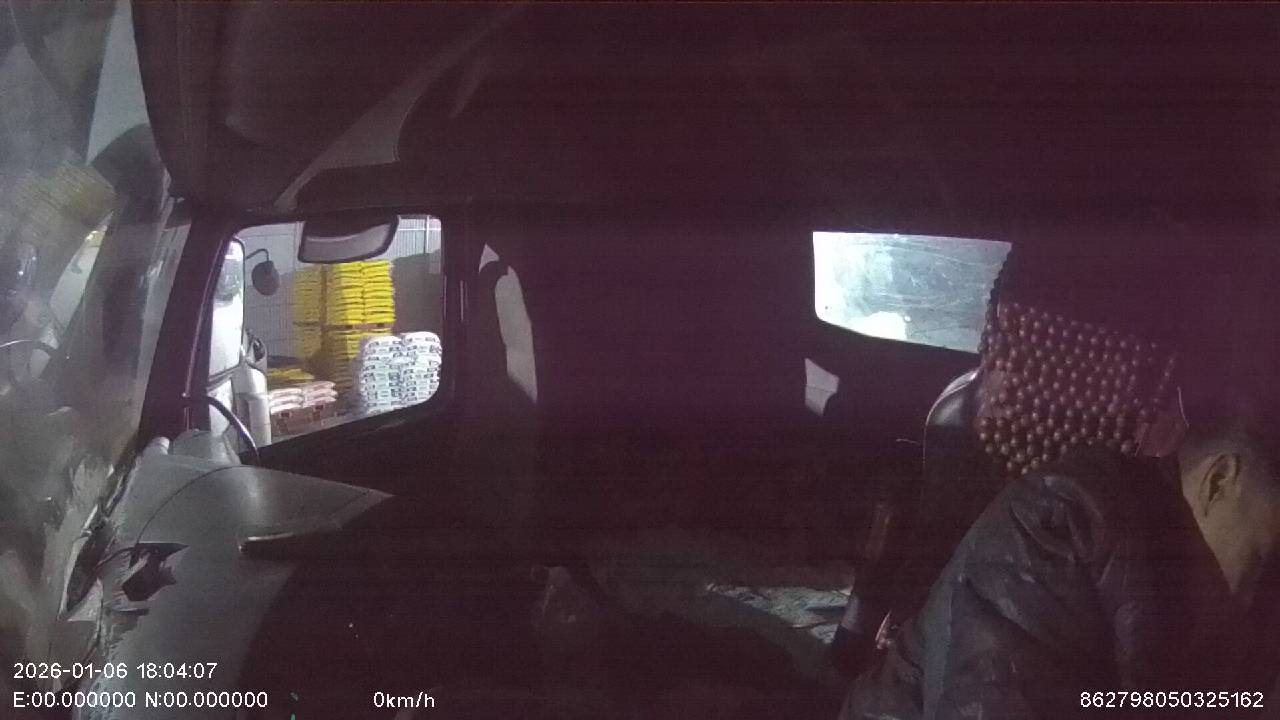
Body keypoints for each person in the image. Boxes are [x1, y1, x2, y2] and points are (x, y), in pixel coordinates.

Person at [840, 253, 1280, 718]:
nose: (1257, 593)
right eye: (1259, 558)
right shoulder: (1059, 527)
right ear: (1218, 481)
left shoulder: (1192, 582)